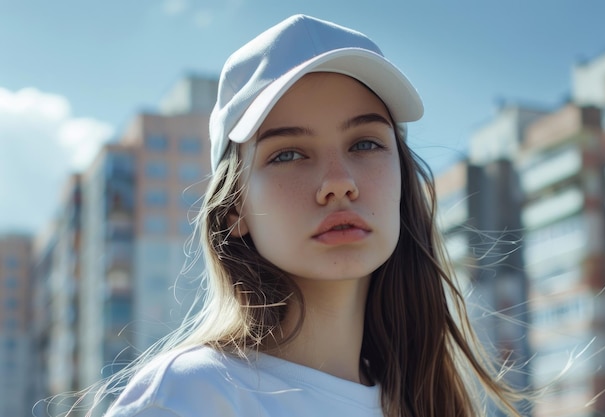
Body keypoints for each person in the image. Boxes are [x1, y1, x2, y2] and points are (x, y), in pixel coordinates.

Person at [86, 14, 526, 417]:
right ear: (235, 207)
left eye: (365, 144)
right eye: (289, 153)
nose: (339, 182)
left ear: (402, 180)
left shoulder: (426, 405)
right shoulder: (192, 396)